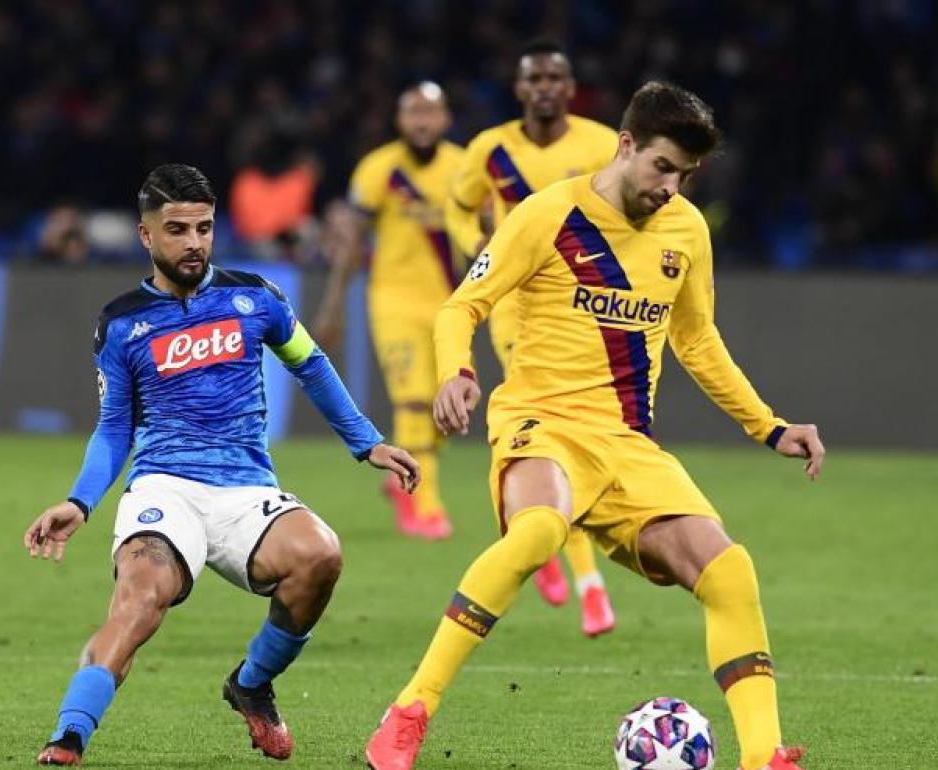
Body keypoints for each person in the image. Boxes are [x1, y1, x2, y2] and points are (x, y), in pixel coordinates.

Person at [366, 82, 824, 770]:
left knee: (730, 570)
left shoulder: (686, 231)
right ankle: (409, 712)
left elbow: (697, 343)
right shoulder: (547, 215)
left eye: (687, 176)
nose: (672, 187)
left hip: (627, 445)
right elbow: (461, 308)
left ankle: (763, 757)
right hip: (540, 425)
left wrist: (769, 427)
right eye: (663, 168)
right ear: (627, 145)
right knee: (542, 532)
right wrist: (457, 371)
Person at [23, 164, 419, 766]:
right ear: (146, 237)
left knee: (321, 555)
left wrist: (366, 442)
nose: (193, 243)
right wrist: (78, 502)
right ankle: (70, 735)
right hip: (164, 485)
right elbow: (113, 427)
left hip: (244, 488)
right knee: (140, 600)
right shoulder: (123, 321)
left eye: (204, 228)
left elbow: (310, 364)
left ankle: (251, 684)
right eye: (177, 230)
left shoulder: (254, 297)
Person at [444, 38, 621, 635]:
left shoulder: (601, 145)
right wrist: (476, 248)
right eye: (534, 78)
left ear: (570, 88)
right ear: (519, 89)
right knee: (549, 425)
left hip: (586, 303)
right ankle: (589, 585)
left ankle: (532, 531)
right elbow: (459, 206)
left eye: (554, 77)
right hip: (519, 302)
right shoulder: (490, 149)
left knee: (574, 428)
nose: (544, 87)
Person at [312, 81, 463, 540]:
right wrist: (334, 305)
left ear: (445, 119)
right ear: (399, 120)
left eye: (430, 112)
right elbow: (352, 243)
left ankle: (402, 483)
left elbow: (486, 232)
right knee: (413, 399)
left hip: (450, 303)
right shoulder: (379, 169)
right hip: (392, 299)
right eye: (412, 111)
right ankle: (425, 503)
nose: (421, 120)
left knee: (447, 409)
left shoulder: (464, 167)